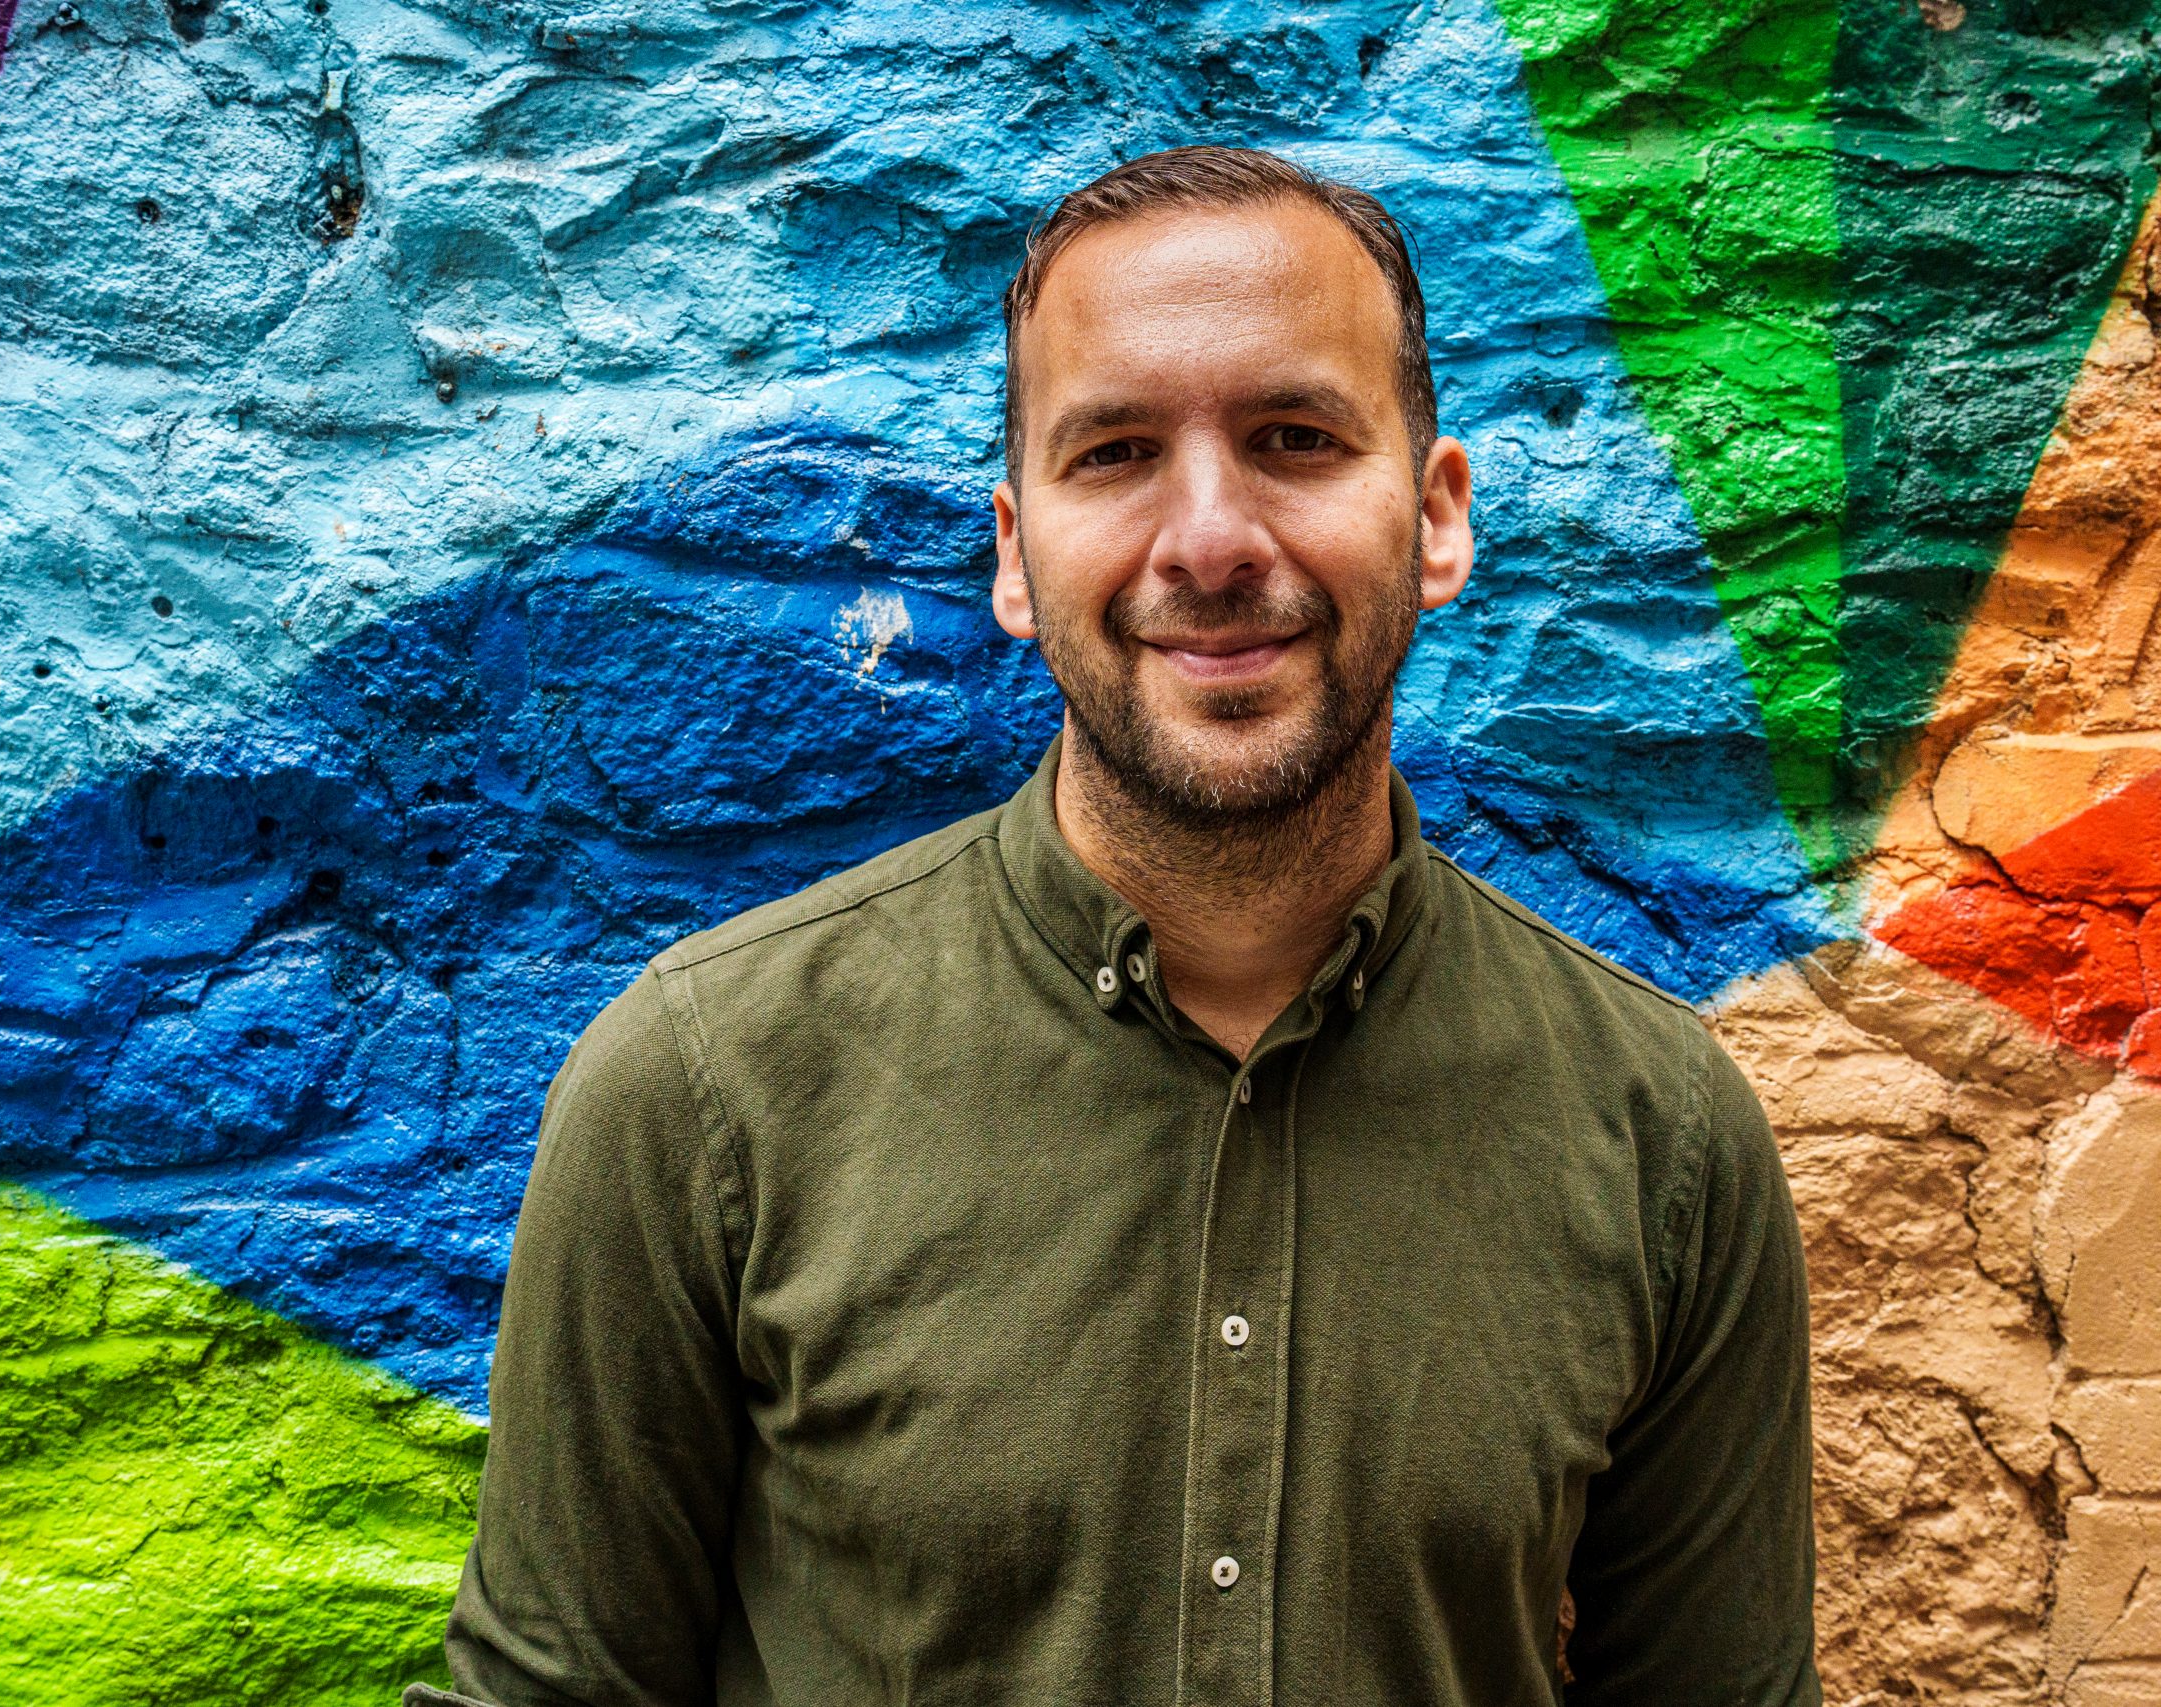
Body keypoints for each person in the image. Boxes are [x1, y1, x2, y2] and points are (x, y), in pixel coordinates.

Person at [406, 145, 1819, 1707]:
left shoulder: (1663, 1137)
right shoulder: (703, 1091)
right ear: (1017, 553)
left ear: (1434, 516)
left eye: (1293, 439)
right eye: (1118, 453)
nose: (1209, 540)